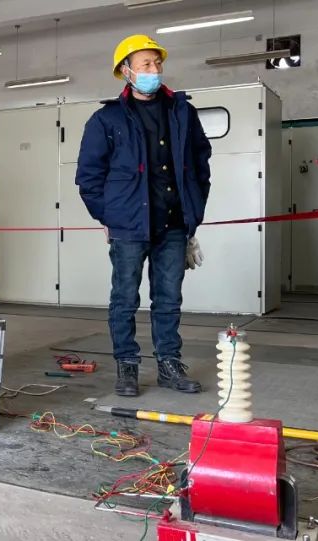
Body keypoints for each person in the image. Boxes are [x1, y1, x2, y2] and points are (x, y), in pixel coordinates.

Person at [75, 34, 211, 398]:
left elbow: (201, 164)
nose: (155, 69)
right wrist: (109, 217)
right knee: (124, 299)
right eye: (146, 64)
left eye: (157, 62)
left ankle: (169, 364)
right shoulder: (106, 119)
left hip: (173, 223)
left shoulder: (182, 112)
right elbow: (88, 177)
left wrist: (194, 213)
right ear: (126, 71)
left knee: (169, 299)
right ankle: (127, 366)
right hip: (129, 227)